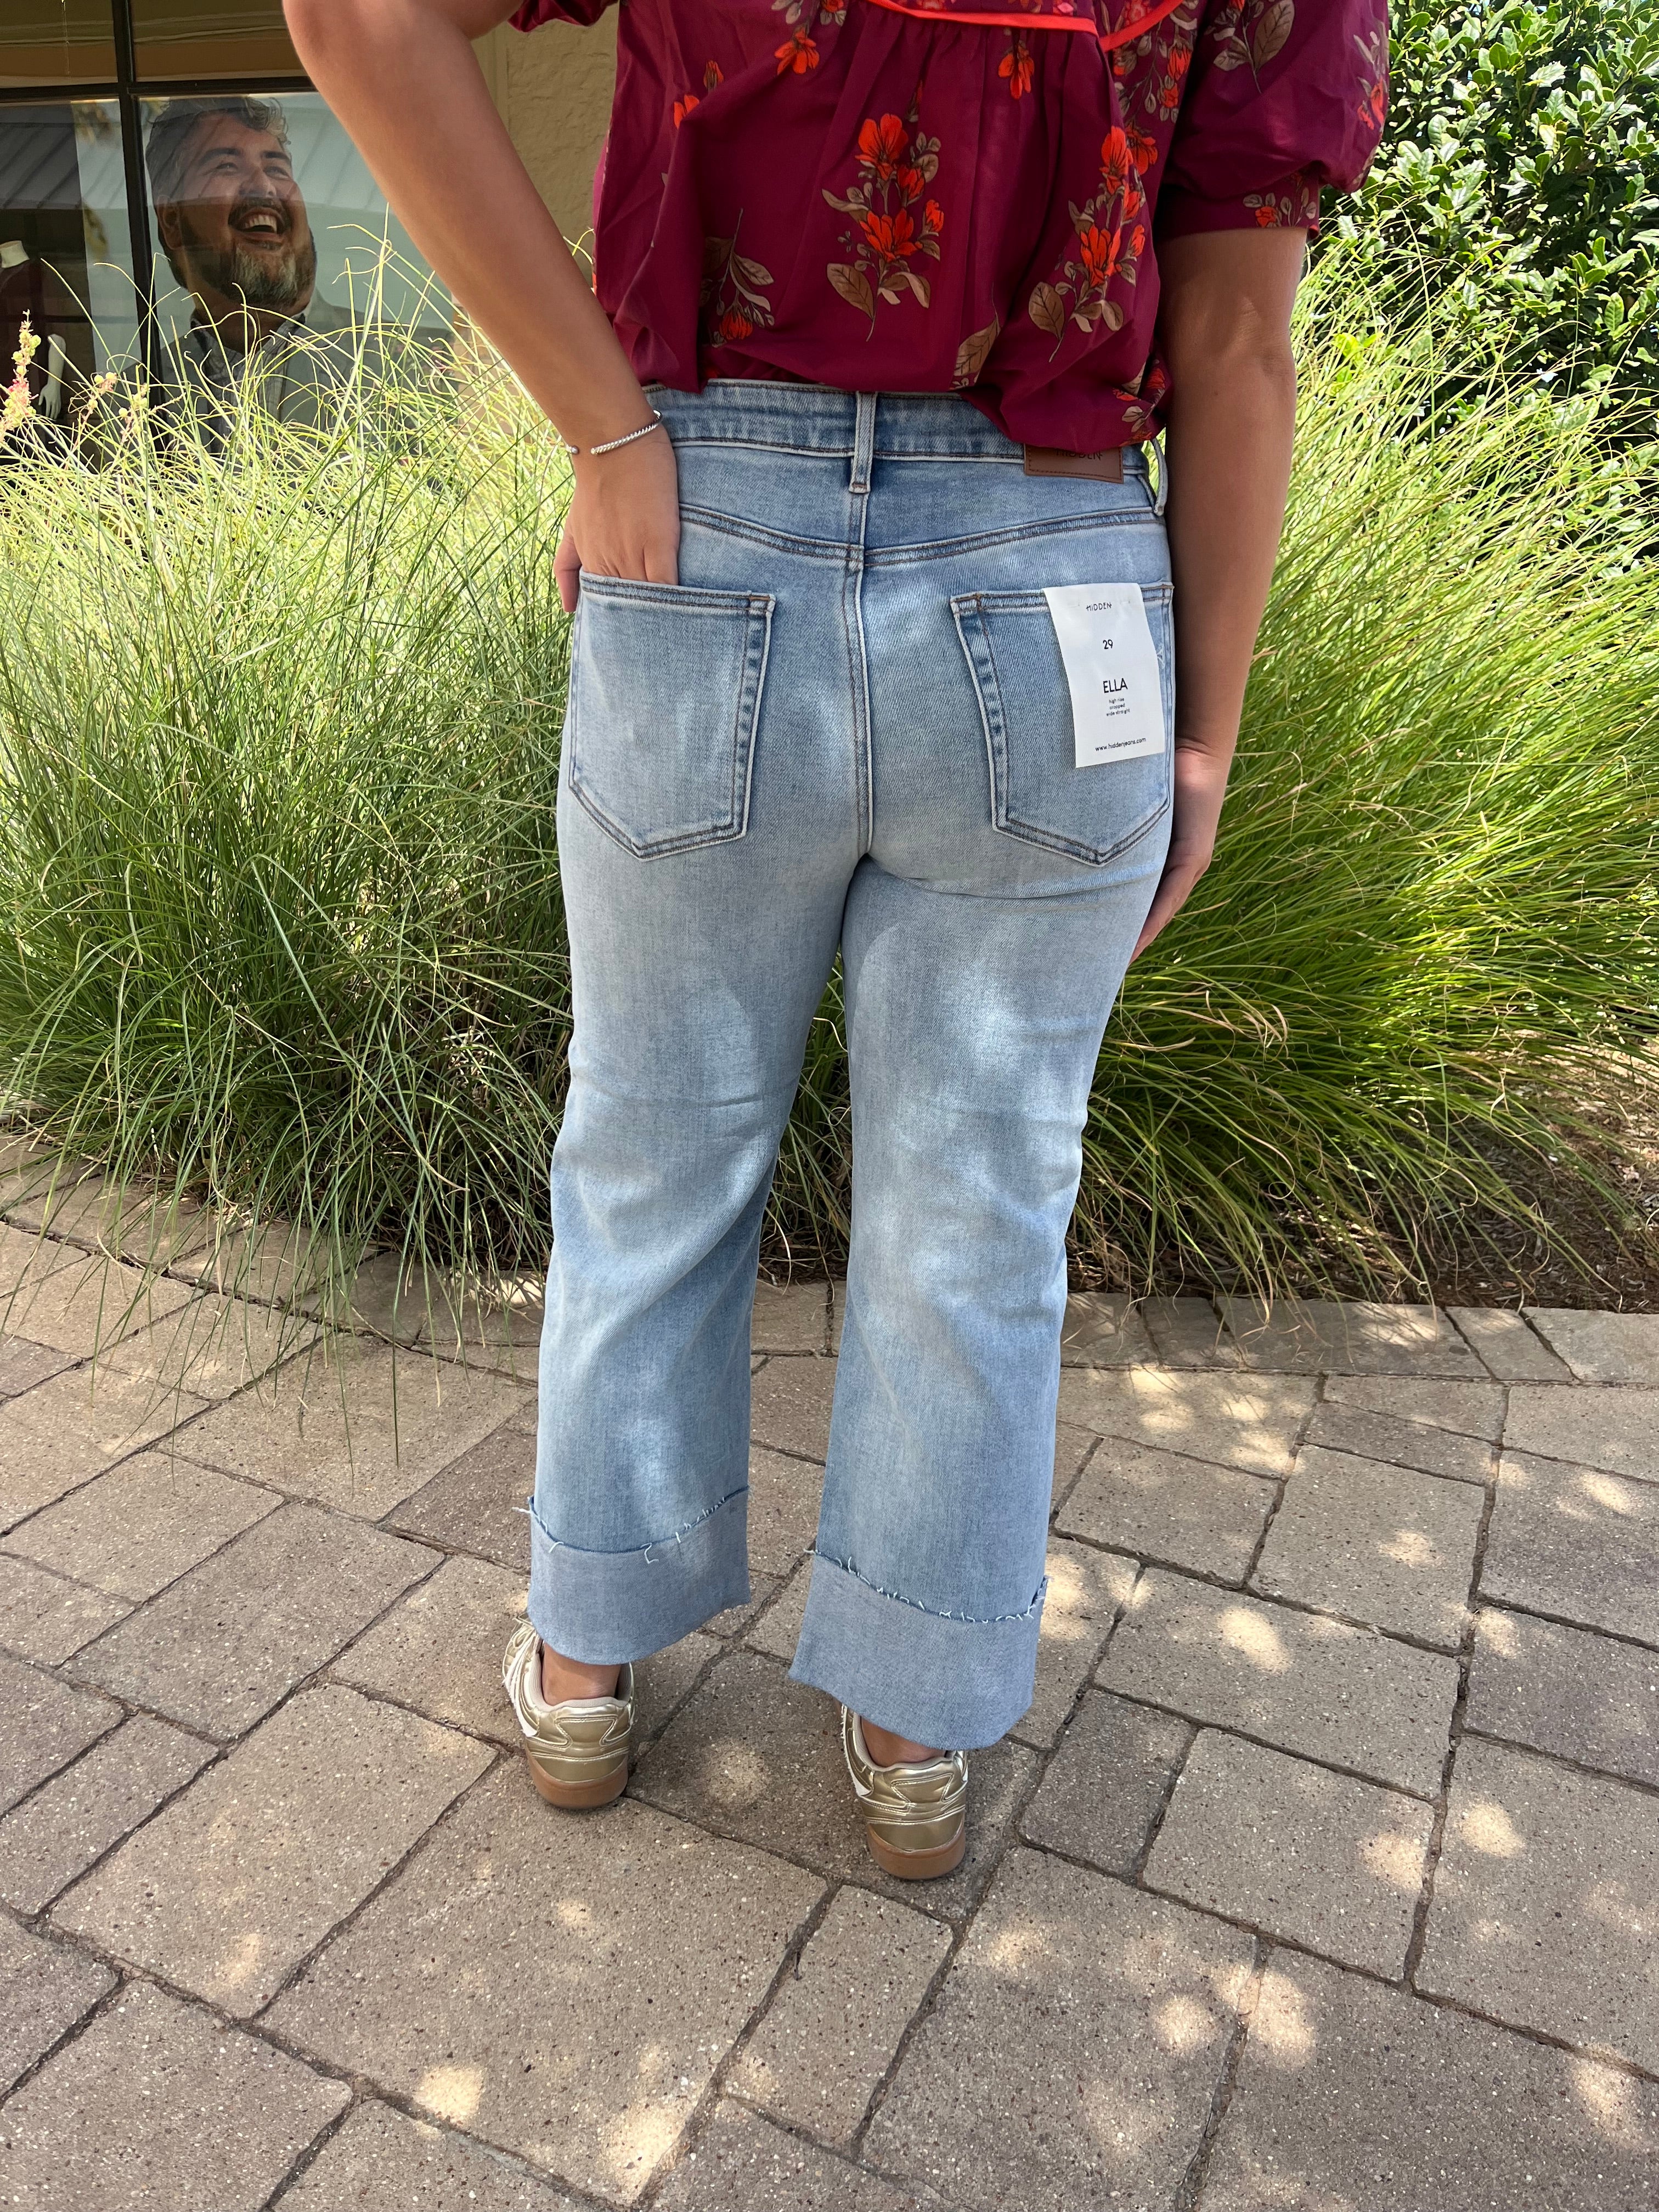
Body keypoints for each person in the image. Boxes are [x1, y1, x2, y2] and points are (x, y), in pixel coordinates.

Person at [284, 0, 1387, 1878]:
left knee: (652, 1142)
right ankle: (912, 1725)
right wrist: (1201, 736)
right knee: (981, 1195)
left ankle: (585, 1666)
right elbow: (1234, 340)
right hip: (1052, 575)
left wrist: (604, 426)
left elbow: (360, 13)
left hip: (701, 532)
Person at [144, 94, 441, 443]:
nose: (264, 186)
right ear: (172, 220)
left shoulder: (414, 368)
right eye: (227, 167)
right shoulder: (125, 406)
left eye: (276, 169)